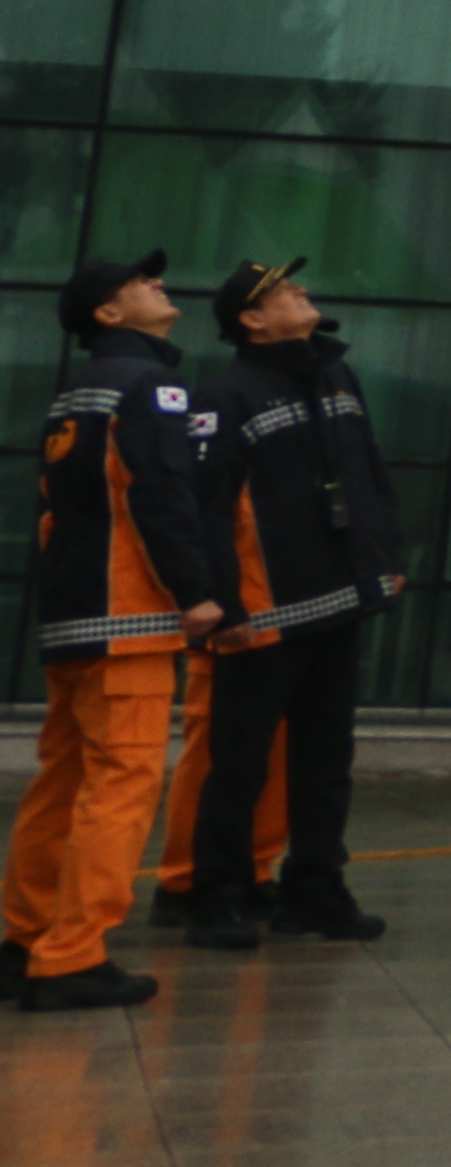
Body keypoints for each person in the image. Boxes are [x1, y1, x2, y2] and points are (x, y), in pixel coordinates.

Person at [169, 259, 409, 954]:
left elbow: (368, 472)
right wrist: (223, 604)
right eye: (282, 291)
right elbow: (206, 506)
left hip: (340, 597)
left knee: (326, 759)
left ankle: (315, 891)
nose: (301, 292)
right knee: (238, 762)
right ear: (252, 319)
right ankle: (214, 895)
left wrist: (386, 559)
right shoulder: (226, 394)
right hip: (263, 613)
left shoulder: (337, 376)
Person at [11, 248, 225, 1015]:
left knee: (62, 782)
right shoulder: (150, 384)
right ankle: (72, 956)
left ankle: (23, 939)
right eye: (138, 282)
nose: (156, 284)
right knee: (122, 786)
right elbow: (157, 492)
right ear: (108, 312)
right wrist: (195, 592)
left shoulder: (79, 388)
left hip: (73, 611)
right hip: (128, 614)